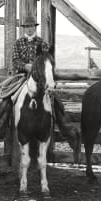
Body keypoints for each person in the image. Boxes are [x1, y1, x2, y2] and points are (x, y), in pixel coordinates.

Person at [8, 16, 80, 151]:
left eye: (31, 27)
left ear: (35, 27)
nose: (29, 29)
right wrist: (26, 66)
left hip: (40, 78)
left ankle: (65, 127)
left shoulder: (42, 43)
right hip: (22, 76)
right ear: (24, 28)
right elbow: (15, 60)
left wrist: (38, 70)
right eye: (27, 27)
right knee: (9, 96)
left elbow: (48, 61)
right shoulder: (18, 43)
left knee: (55, 100)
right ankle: (2, 124)